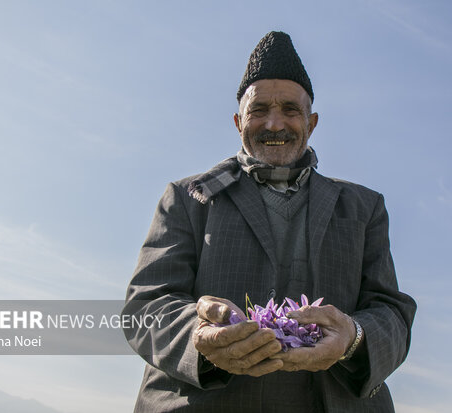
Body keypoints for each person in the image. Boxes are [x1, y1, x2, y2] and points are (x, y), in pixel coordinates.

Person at [123, 31, 416, 412]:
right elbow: (146, 306)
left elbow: (390, 311)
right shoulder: (188, 198)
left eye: (290, 110)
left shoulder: (363, 207)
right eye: (259, 110)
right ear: (237, 122)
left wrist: (354, 337)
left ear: (311, 123)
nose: (274, 124)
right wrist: (198, 336)